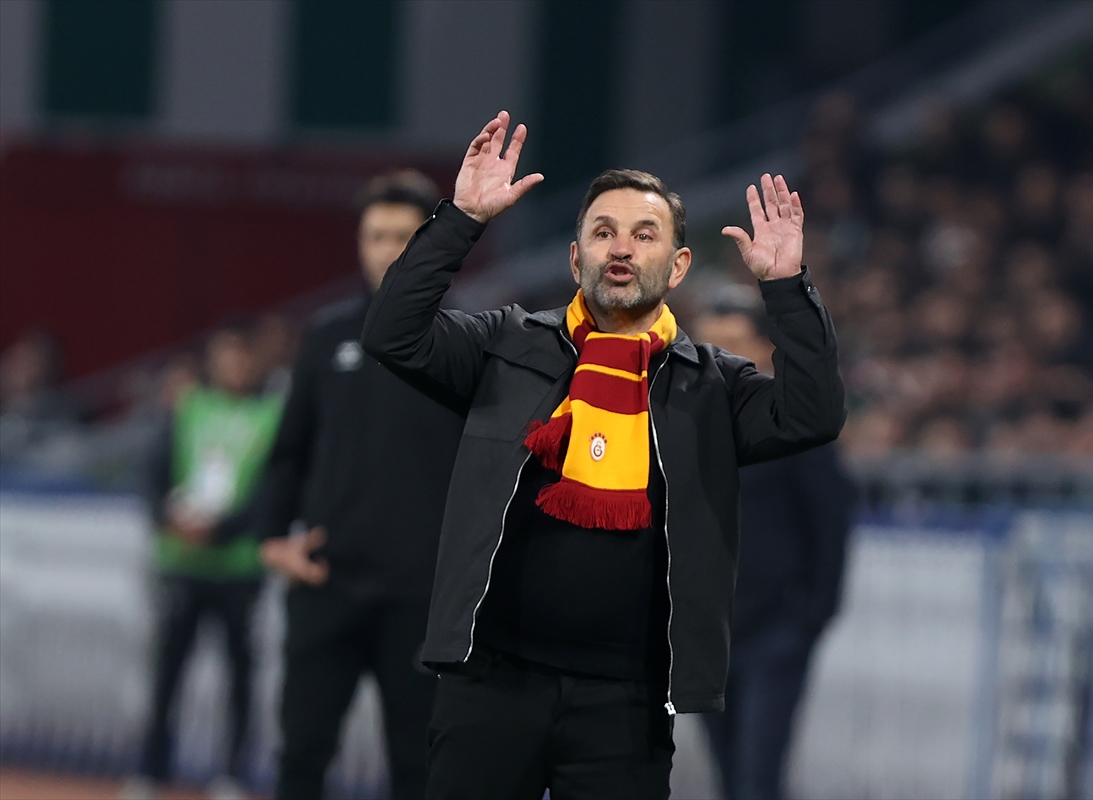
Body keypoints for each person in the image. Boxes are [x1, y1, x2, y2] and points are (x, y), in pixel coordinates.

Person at [360, 111, 846, 800]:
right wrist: (461, 219)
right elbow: (392, 334)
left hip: (627, 704)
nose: (621, 248)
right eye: (603, 232)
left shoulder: (713, 387)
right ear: (575, 258)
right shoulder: (504, 345)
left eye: (645, 235)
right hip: (490, 687)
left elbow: (813, 415)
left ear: (678, 266)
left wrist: (787, 288)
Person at [255, 170, 465, 799]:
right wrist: (272, 538)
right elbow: (287, 454)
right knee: (301, 757)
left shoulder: (466, 342)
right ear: (359, 243)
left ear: (428, 245)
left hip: (423, 600)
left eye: (404, 236)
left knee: (421, 769)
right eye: (376, 235)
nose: (387, 249)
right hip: (327, 582)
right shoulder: (326, 338)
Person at [694, 297, 856, 800]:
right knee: (727, 774)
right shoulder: (680, 426)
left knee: (757, 777)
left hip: (775, 630)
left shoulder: (797, 424)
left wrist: (811, 614)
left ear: (765, 350)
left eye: (732, 344)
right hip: (705, 634)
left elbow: (830, 518)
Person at [129, 323, 284, 800]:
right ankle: (151, 772)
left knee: (240, 675)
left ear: (254, 361)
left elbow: (272, 491)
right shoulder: (188, 407)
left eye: (241, 356)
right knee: (166, 674)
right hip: (182, 563)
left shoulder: (272, 415)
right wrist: (167, 518)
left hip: (238, 569)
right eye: (224, 356)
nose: (232, 366)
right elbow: (154, 471)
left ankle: (233, 775)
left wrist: (219, 530)